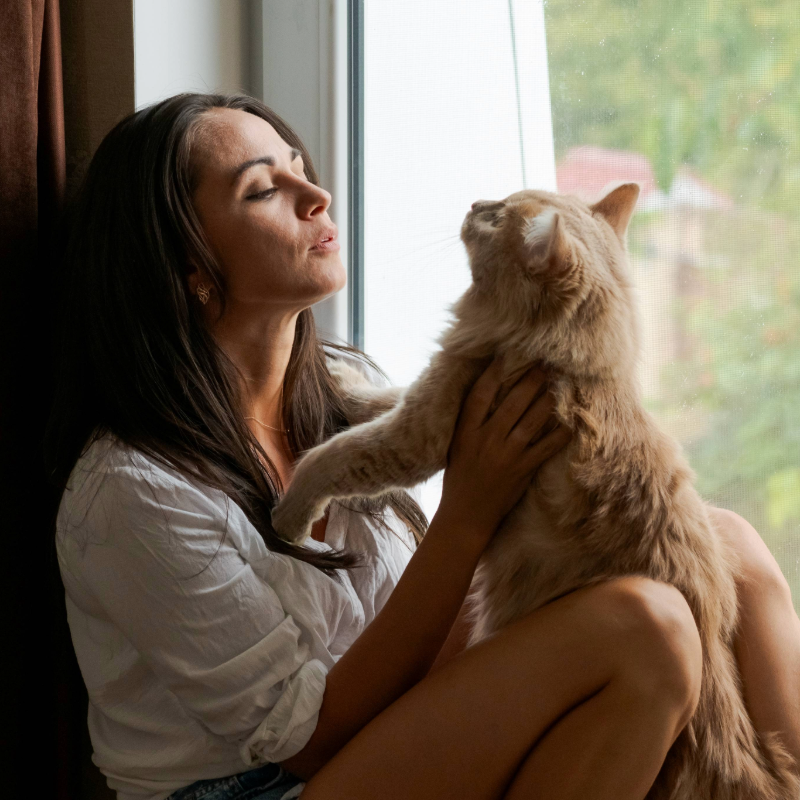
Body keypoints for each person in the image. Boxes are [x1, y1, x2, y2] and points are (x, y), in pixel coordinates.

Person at [46, 93, 800, 800]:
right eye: (261, 190)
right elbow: (302, 740)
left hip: (383, 727)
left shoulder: (339, 386)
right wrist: (469, 512)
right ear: (187, 270)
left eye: (301, 169)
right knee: (648, 629)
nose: (317, 197)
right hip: (273, 782)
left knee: (723, 543)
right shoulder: (132, 491)